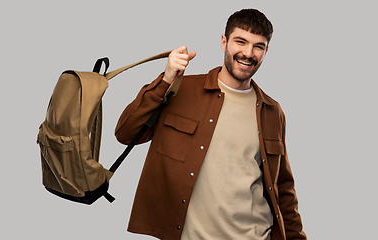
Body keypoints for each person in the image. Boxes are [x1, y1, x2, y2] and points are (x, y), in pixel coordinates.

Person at [115, 8, 306, 240]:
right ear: (224, 42)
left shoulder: (272, 111)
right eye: (240, 41)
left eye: (258, 46)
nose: (248, 53)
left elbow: (283, 188)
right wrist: (165, 80)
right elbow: (126, 132)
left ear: (266, 51)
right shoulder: (180, 90)